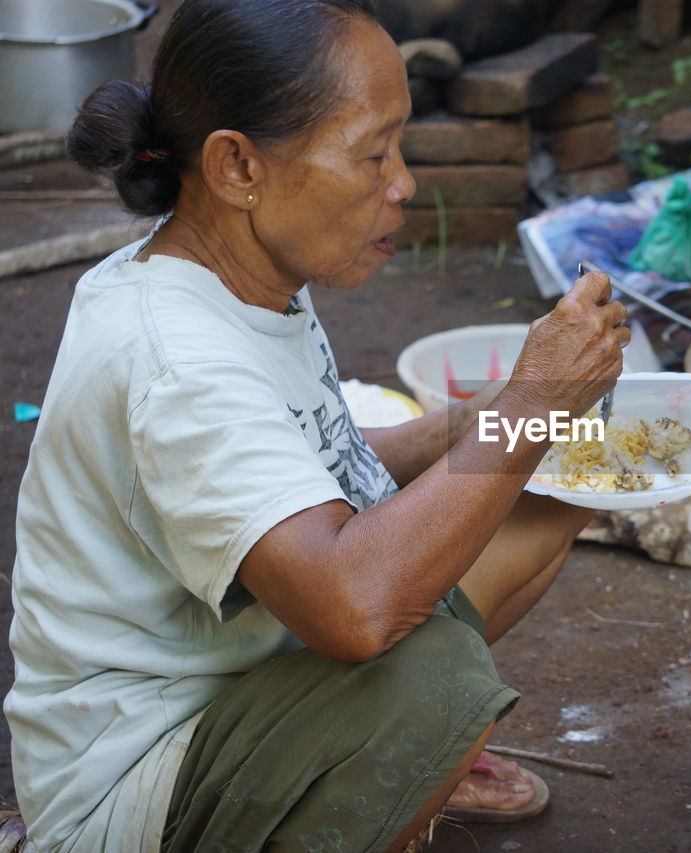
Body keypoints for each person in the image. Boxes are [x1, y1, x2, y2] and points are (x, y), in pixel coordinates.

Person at [3, 0, 628, 849]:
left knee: (554, 489)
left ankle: (370, 775)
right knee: (432, 675)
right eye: (373, 153)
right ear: (237, 167)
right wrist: (529, 407)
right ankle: (360, 779)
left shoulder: (251, 270)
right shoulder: (176, 358)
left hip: (256, 674)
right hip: (138, 780)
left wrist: (484, 422)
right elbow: (352, 609)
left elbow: (301, 467)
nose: (402, 181)